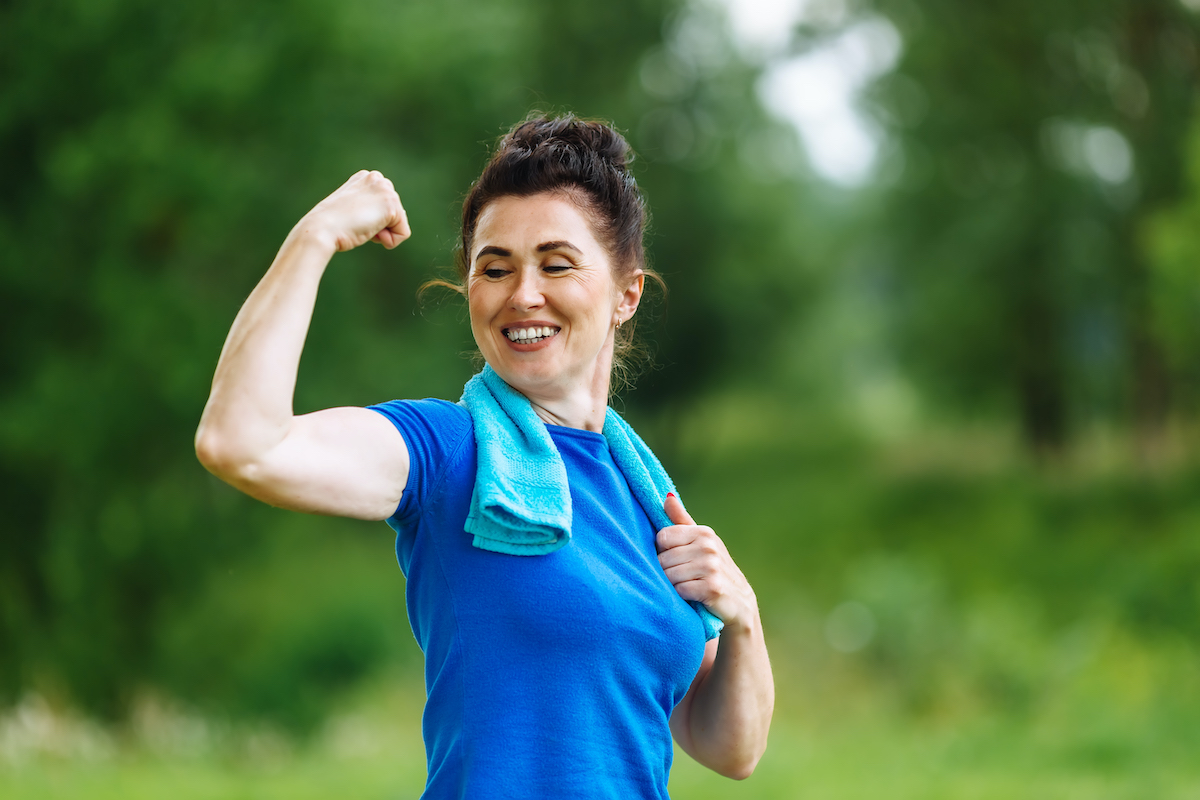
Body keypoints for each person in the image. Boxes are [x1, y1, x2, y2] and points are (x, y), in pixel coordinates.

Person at [195, 114, 774, 798]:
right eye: (494, 269)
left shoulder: (645, 491)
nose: (522, 293)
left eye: (556, 264)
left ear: (626, 293)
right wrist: (312, 238)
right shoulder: (449, 454)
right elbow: (241, 444)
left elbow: (727, 746)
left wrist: (742, 615)